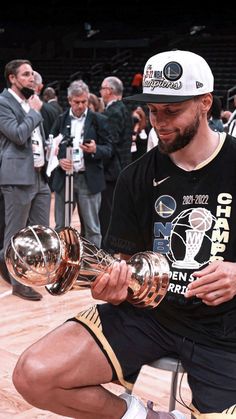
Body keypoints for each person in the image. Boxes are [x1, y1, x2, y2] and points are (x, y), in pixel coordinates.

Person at [12, 50, 236, 418]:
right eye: (153, 111)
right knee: (34, 374)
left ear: (205, 103)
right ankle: (143, 415)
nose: (160, 123)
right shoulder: (136, 175)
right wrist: (113, 287)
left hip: (225, 331)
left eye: (171, 111)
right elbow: (126, 263)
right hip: (151, 316)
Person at [0, 59, 51, 300]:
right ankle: (17, 281)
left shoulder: (29, 103)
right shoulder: (3, 102)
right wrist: (34, 112)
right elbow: (18, 135)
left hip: (39, 174)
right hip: (18, 176)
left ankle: (24, 269)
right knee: (16, 232)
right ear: (12, 78)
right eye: (26, 74)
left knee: (39, 231)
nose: (31, 78)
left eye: (32, 74)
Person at [50, 79, 113, 248]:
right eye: (77, 102)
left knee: (92, 228)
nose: (81, 105)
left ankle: (93, 266)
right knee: (61, 226)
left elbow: (109, 149)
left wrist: (95, 149)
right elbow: (51, 146)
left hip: (88, 178)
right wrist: (59, 161)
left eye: (84, 101)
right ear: (70, 100)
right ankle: (62, 263)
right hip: (64, 178)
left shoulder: (98, 120)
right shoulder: (61, 120)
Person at [99, 76, 133, 250]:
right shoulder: (124, 109)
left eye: (102, 89)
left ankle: (108, 248)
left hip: (112, 171)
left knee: (107, 212)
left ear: (109, 91)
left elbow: (110, 143)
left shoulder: (112, 112)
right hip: (122, 167)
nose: (100, 92)